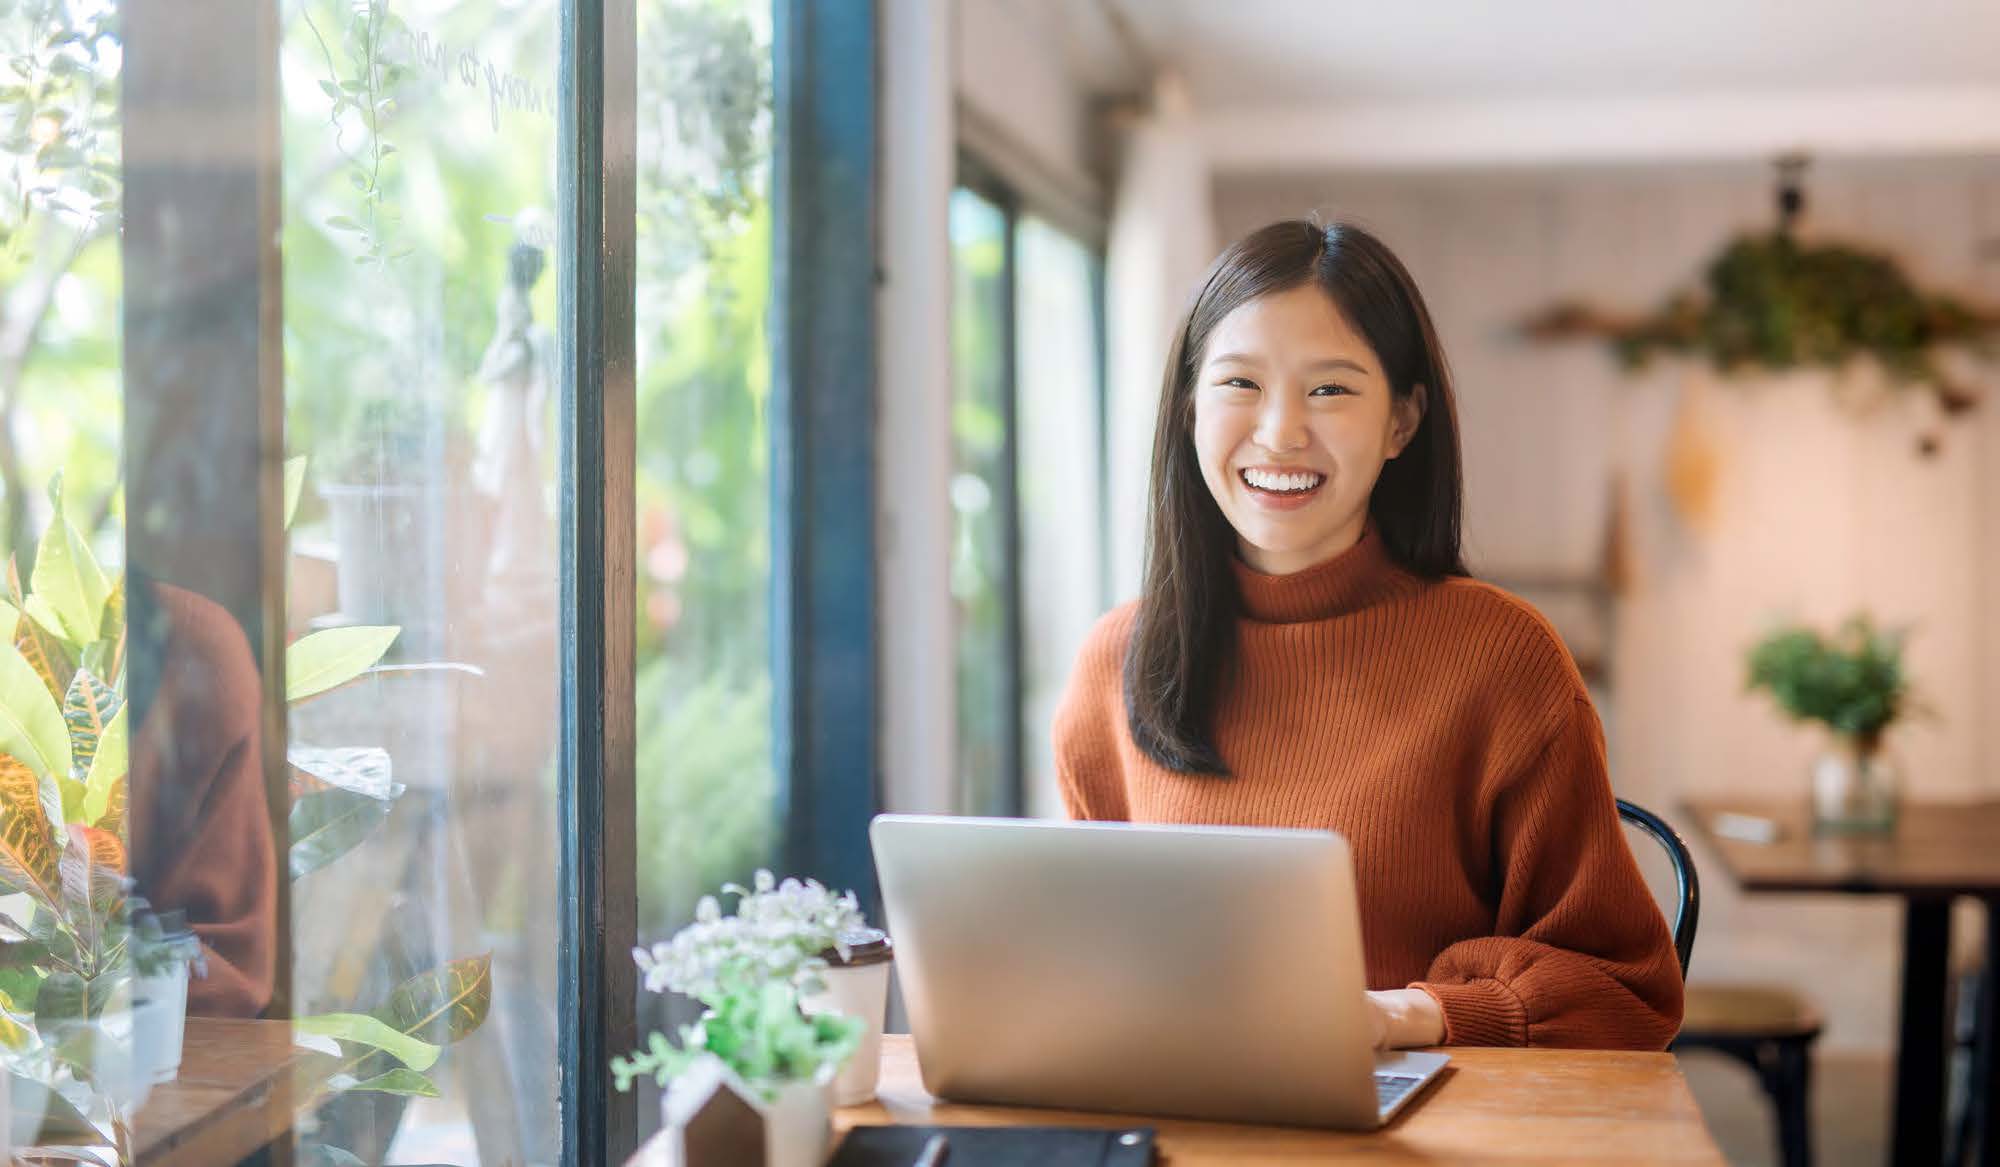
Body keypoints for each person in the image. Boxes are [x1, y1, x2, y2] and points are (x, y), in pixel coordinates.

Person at [1053, 219, 1682, 1051]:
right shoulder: (1116, 660)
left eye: (1331, 390)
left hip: (1422, 1126)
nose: (1279, 433)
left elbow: (1627, 986)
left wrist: (1412, 1014)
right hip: (1178, 1110)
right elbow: (1084, 953)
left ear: (1402, 421)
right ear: (1188, 408)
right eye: (1240, 383)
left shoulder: (1501, 657)